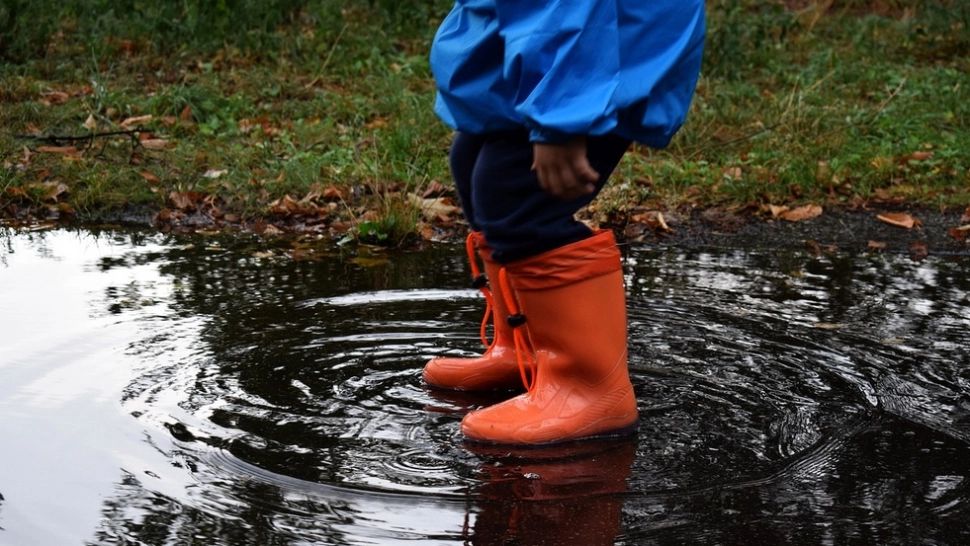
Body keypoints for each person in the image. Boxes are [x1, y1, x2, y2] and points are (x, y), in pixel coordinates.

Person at [423, 1, 706, 445]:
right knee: (473, 162)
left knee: (517, 199)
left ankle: (589, 389)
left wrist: (561, 119)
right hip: (551, 53)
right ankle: (527, 351)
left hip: (595, 60)